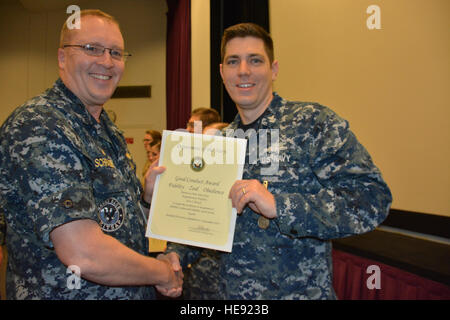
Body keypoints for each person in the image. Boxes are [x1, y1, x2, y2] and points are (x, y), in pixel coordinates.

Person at [166, 22, 392, 299]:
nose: (244, 71)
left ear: (273, 70)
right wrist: (175, 253)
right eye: (233, 61)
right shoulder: (220, 144)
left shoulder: (312, 124)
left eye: (255, 60)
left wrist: (280, 205)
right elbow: (204, 219)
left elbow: (372, 199)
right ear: (222, 72)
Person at [0, 9, 182, 300]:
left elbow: (117, 222)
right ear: (62, 58)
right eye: (92, 49)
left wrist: (146, 200)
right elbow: (83, 253)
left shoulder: (106, 130)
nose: (106, 61)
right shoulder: (40, 125)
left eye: (116, 52)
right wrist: (161, 272)